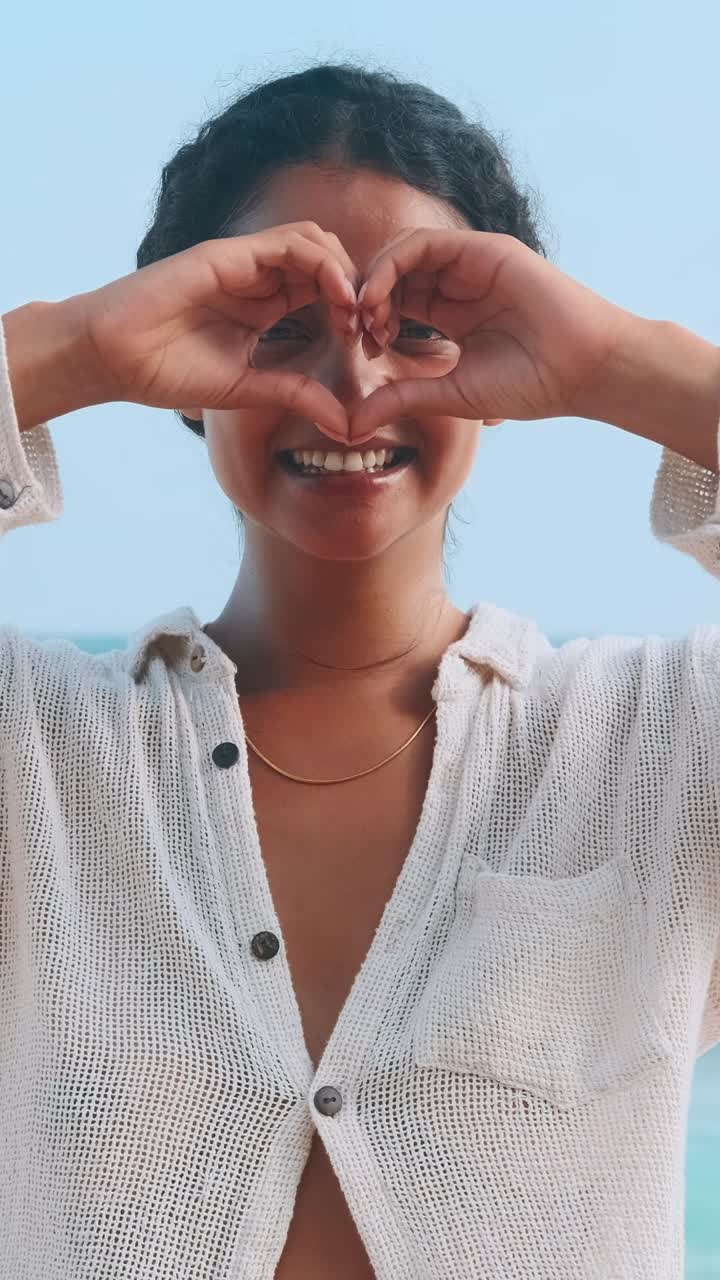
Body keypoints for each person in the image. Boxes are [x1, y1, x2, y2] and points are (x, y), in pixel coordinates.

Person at [1, 61, 719, 1280]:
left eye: (420, 331)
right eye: (278, 329)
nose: (350, 392)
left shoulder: (660, 741)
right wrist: (72, 344)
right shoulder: (42, 763)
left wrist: (619, 363)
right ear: (178, 360)